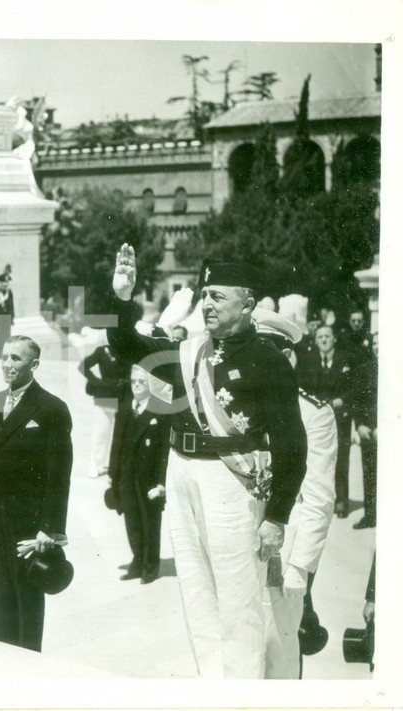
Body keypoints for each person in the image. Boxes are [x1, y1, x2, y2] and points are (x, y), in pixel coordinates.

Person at [107, 244, 307, 678]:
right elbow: (127, 345)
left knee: (238, 599)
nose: (208, 304)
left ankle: (243, 693)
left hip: (230, 482)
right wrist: (121, 298)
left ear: (248, 303)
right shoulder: (190, 352)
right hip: (182, 474)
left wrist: (276, 515)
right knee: (197, 594)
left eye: (219, 296)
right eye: (205, 295)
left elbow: (293, 444)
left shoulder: (268, 360)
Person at [0, 336, 72, 652]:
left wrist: (50, 529)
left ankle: (28, 670)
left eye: (16, 358)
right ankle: (1, 663)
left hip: (29, 523)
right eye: (4, 357)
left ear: (34, 364)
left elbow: (59, 476)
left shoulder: (52, 408)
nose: (8, 364)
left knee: (27, 597)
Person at [254, 310, 337, 679]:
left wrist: (300, 567)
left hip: (284, 553)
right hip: (240, 543)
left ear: (287, 357)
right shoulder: (240, 408)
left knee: (280, 651)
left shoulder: (314, 413)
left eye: (267, 352)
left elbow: (318, 499)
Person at [108, 364, 170, 584]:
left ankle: (150, 566)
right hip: (127, 474)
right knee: (132, 519)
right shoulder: (126, 407)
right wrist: (113, 472)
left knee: (150, 521)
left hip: (149, 477)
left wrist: (161, 483)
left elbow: (164, 450)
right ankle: (137, 561)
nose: (136, 385)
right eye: (133, 381)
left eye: (141, 382)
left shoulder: (159, 410)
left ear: (150, 385)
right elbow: (116, 443)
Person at [295, 325, 354, 518]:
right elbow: (301, 386)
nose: (324, 340)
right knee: (316, 458)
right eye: (320, 337)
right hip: (318, 419)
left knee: (341, 459)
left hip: (340, 418)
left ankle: (342, 500)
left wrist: (342, 400)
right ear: (315, 340)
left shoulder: (345, 359)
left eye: (327, 336)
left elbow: (356, 386)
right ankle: (316, 500)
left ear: (334, 338)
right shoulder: (308, 360)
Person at [78, 344, 130, 478]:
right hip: (105, 396)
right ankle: (95, 465)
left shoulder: (130, 349)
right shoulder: (102, 351)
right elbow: (83, 365)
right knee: (100, 433)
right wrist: (96, 381)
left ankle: (116, 467)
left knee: (121, 434)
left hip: (125, 396)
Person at [349, 332, 378, 529]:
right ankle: (370, 515)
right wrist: (359, 425)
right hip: (368, 431)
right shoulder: (364, 370)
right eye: (375, 343)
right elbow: (357, 401)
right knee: (370, 474)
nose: (378, 347)